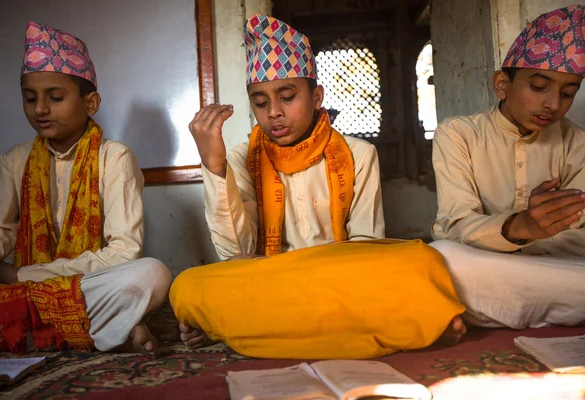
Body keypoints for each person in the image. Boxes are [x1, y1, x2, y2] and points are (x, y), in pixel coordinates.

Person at [173, 14, 466, 356]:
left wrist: (321, 273)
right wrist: (214, 165)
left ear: (316, 97)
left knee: (422, 258)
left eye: (287, 96)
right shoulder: (240, 158)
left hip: (341, 282)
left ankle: (238, 327)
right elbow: (235, 254)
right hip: (273, 283)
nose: (274, 113)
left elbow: (366, 249)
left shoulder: (358, 153)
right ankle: (396, 324)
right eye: (261, 102)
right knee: (187, 285)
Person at [0, 21, 171, 355]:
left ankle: (39, 333)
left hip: (77, 286)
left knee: (152, 274)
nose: (40, 108)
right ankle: (100, 330)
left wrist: (20, 276)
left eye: (55, 97)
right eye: (30, 98)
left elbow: (124, 253)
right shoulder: (15, 160)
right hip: (23, 292)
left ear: (91, 103)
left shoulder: (114, 158)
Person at [431, 4, 585, 329]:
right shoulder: (459, 134)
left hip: (557, 270)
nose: (553, 105)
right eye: (539, 87)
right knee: (444, 256)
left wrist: (533, 239)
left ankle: (510, 312)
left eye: (568, 93)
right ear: (502, 84)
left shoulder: (577, 142)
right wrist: (520, 227)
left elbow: (581, 237)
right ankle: (550, 311)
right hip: (486, 268)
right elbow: (454, 226)